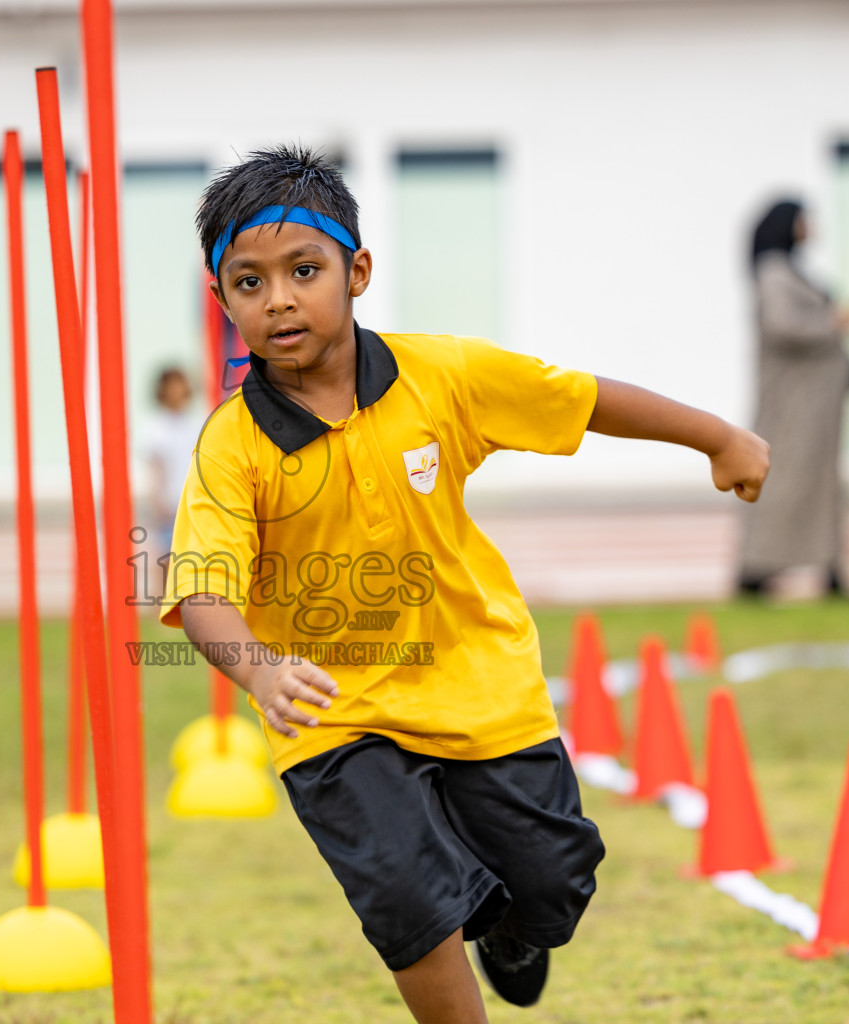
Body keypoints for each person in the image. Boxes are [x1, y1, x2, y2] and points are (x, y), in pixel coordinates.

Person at [161, 145, 768, 1023]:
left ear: (357, 271)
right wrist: (259, 669)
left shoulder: (438, 376)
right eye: (249, 284)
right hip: (336, 710)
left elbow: (579, 398)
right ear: (222, 303)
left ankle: (512, 931)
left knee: (555, 885)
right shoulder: (232, 442)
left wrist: (716, 437)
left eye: (304, 270)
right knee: (407, 896)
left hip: (479, 684)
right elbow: (202, 591)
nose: (280, 299)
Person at [737, 199, 849, 599]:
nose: (811, 228)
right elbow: (782, 325)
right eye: (805, 220)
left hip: (818, 404)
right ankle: (756, 568)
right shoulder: (774, 274)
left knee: (824, 486)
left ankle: (830, 567)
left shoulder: (793, 272)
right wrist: (831, 324)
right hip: (794, 406)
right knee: (780, 481)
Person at [141, 366, 204, 566]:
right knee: (166, 561)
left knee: (193, 562)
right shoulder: (156, 426)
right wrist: (157, 502)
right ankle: (164, 598)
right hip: (169, 506)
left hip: (194, 502)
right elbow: (155, 468)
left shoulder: (196, 423)